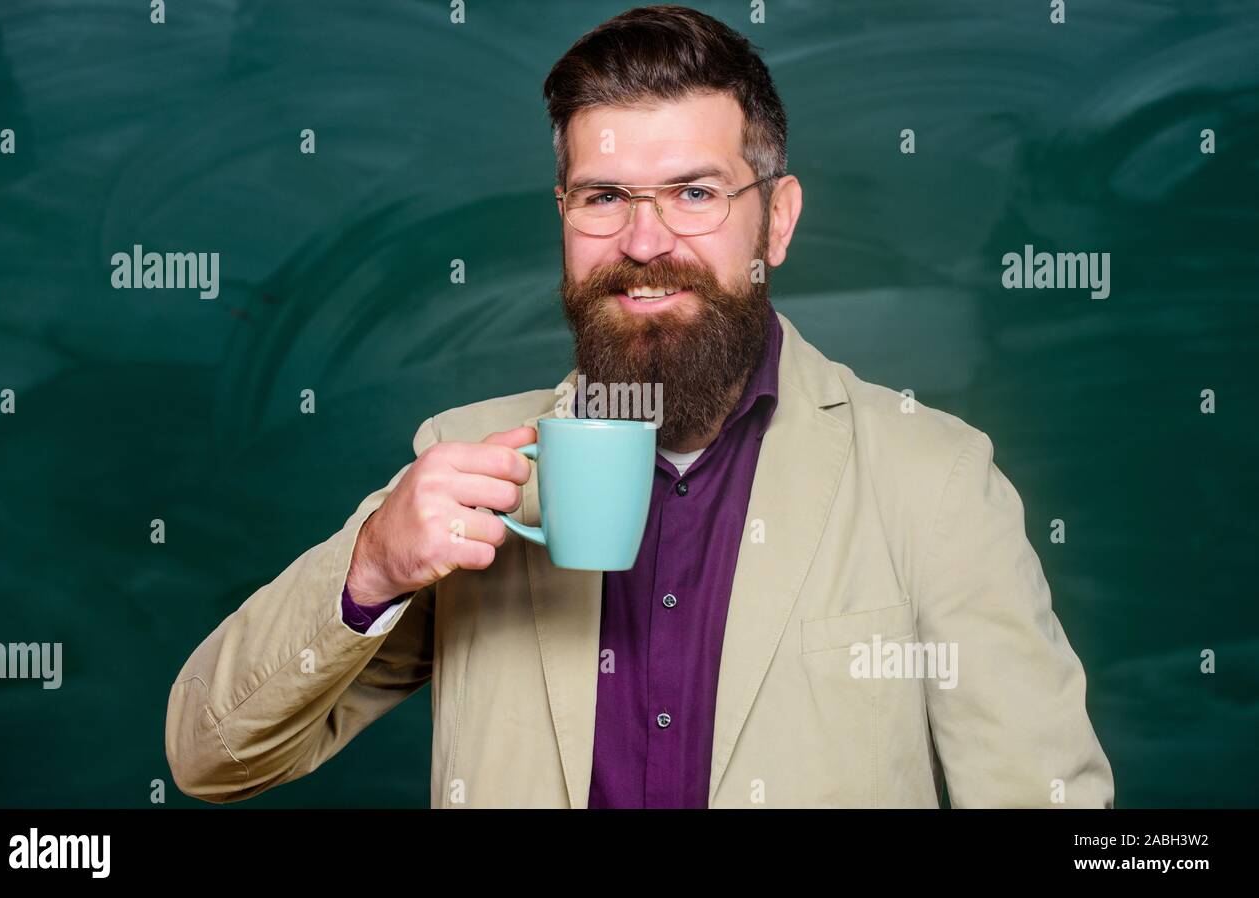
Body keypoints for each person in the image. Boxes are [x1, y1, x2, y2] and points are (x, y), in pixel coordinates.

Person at [165, 4, 1114, 808]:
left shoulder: (932, 479)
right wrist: (369, 567)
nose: (644, 241)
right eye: (603, 197)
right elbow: (210, 760)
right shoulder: (465, 464)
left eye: (694, 193)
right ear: (564, 217)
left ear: (775, 220)